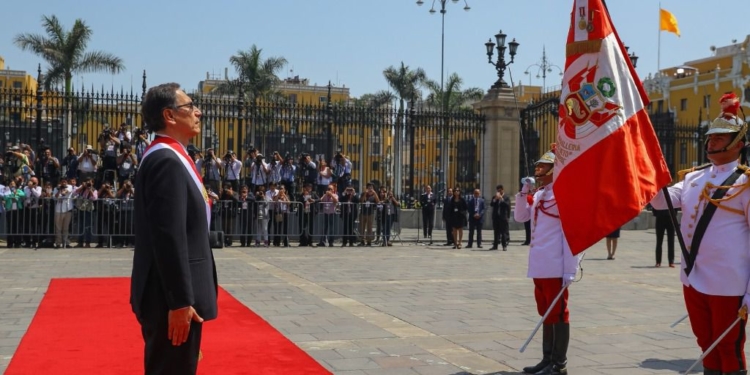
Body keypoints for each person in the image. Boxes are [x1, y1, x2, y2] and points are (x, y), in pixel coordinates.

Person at [650, 92, 750, 375]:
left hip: (729, 280)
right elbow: (660, 203)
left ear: (738, 144)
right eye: (710, 137)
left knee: (728, 345)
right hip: (693, 275)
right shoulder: (694, 177)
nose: (711, 142)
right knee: (706, 342)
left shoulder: (745, 182)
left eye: (719, 138)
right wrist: (650, 177)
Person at [130, 82, 218, 374]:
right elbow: (168, 236)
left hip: (174, 294)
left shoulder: (172, 155)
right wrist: (180, 301)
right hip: (172, 298)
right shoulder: (166, 160)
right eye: (190, 106)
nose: (198, 112)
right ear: (169, 115)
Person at [514, 146, 582, 375]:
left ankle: (559, 364)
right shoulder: (541, 194)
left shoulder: (563, 195)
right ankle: (546, 359)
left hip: (555, 265)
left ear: (555, 170)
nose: (537, 168)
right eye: (537, 165)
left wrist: (570, 270)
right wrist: (524, 191)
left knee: (558, 312)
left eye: (542, 166)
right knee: (545, 311)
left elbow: (571, 234)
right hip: (539, 265)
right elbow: (520, 216)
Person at [490, 184, 511, 251]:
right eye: (498, 190)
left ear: (502, 190)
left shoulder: (506, 197)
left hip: (503, 217)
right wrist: (495, 199)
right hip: (496, 217)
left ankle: (504, 246)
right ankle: (495, 246)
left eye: (500, 190)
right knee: (496, 232)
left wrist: (501, 199)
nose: (499, 192)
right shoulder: (494, 197)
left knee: (503, 232)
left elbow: (507, 205)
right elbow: (491, 204)